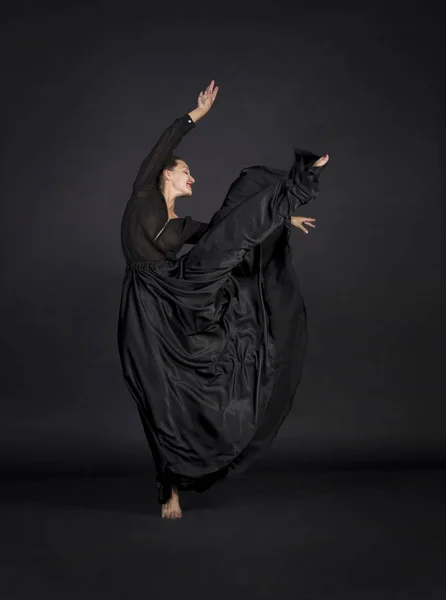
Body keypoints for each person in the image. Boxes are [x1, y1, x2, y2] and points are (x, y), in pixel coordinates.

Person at [118, 80, 329, 519]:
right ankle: (168, 487)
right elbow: (165, 142)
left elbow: (227, 232)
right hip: (145, 308)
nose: (192, 177)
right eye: (185, 171)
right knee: (159, 399)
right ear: (166, 173)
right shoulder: (143, 193)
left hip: (180, 291)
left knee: (227, 236)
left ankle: (293, 187)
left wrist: (283, 218)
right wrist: (197, 114)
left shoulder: (184, 225)